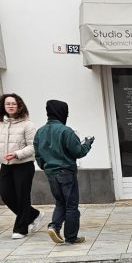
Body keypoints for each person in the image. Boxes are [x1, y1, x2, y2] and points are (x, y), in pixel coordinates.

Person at [34, 100, 93, 245]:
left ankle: (54, 226)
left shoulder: (40, 132)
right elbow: (78, 152)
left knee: (60, 202)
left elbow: (38, 155)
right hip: (66, 173)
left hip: (50, 174)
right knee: (72, 205)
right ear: (63, 113)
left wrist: (46, 166)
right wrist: (87, 143)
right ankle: (71, 237)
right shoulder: (66, 131)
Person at [0, 93, 40, 239]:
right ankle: (33, 214)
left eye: (14, 103)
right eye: (8, 104)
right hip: (6, 165)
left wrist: (17, 154)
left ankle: (21, 229)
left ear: (19, 105)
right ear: (3, 106)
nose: (11, 106)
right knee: (5, 193)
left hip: (23, 165)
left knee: (22, 196)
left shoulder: (28, 124)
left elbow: (34, 147)